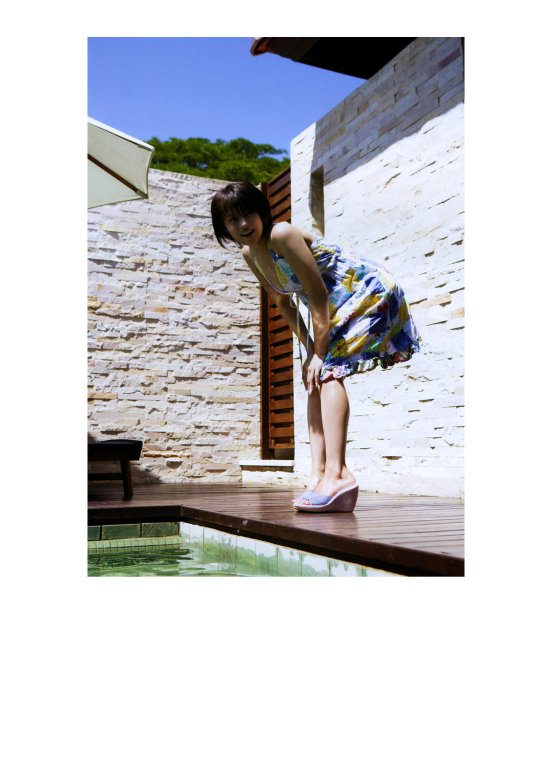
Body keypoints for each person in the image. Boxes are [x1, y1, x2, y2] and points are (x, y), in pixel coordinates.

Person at [211, 181, 420, 513]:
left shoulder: (281, 234)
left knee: (329, 370)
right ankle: (319, 475)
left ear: (261, 211)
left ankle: (338, 474)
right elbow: (282, 302)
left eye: (248, 213)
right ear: (223, 226)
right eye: (232, 219)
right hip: (333, 306)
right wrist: (309, 348)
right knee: (313, 379)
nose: (243, 224)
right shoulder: (251, 254)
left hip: (364, 290)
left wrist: (320, 352)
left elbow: (318, 294)